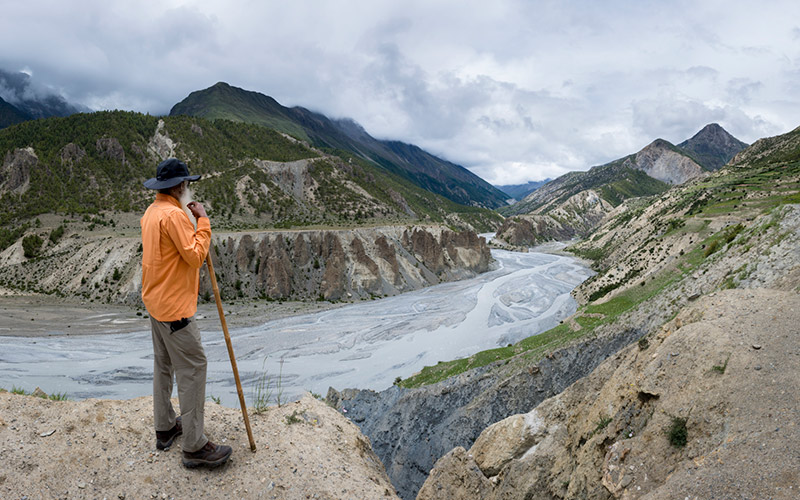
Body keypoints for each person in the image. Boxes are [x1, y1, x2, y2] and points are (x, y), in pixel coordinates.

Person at [140, 158, 232, 468]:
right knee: (193, 368)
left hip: (155, 302)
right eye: (186, 184)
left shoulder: (151, 213)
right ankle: (194, 446)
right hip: (175, 309)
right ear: (180, 186)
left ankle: (165, 427)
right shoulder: (174, 216)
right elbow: (194, 257)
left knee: (163, 364)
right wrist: (203, 221)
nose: (187, 188)